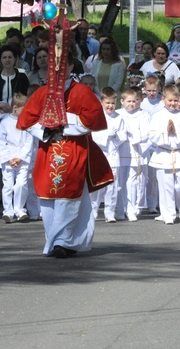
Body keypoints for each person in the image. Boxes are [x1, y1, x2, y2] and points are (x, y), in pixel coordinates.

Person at [16, 47, 113, 258]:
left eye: (63, 66)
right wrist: (46, 129)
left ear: (70, 66)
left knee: (68, 195)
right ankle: (54, 239)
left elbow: (92, 121)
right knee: (48, 196)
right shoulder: (42, 93)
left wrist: (64, 122)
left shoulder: (82, 92)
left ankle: (63, 241)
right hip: (48, 149)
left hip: (74, 148)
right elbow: (26, 121)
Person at [147, 84, 180, 224]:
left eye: (176, 100)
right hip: (164, 154)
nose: (173, 103)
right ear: (163, 99)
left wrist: (176, 132)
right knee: (166, 186)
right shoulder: (157, 116)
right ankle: (168, 214)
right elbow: (152, 135)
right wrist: (166, 132)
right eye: (170, 100)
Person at [90, 87, 126, 222]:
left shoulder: (119, 118)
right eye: (107, 103)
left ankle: (110, 212)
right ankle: (93, 210)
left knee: (112, 185)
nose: (110, 106)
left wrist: (115, 136)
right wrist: (106, 134)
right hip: (99, 154)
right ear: (101, 103)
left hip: (113, 154)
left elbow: (123, 136)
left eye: (112, 103)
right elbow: (92, 135)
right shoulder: (96, 117)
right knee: (97, 184)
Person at [0, 93, 34, 223]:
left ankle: (19, 209)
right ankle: (8, 211)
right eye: (24, 110)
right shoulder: (5, 122)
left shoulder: (27, 123)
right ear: (15, 108)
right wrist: (8, 158)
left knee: (21, 184)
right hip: (9, 156)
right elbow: (0, 140)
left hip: (22, 157)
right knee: (8, 185)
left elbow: (29, 140)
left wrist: (21, 157)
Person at [116, 87, 151, 221]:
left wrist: (139, 138)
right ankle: (120, 208)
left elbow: (148, 132)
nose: (132, 104)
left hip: (137, 151)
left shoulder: (144, 114)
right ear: (122, 101)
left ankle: (133, 208)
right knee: (120, 181)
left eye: (135, 101)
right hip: (122, 151)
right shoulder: (118, 114)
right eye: (129, 101)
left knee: (134, 181)